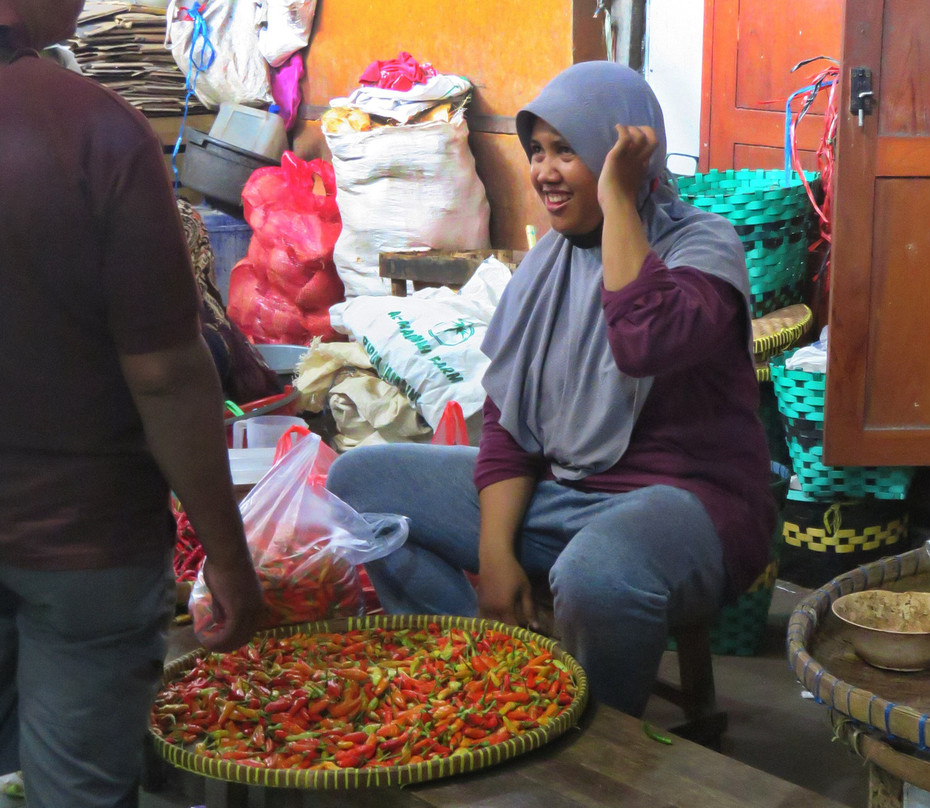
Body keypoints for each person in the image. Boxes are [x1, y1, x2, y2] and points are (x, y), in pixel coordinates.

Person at [326, 61, 775, 717]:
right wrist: (496, 556)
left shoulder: (702, 245)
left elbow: (642, 340)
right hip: (566, 495)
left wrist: (622, 199)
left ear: (622, 153)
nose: (544, 172)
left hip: (688, 504)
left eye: (568, 150)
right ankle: (498, 676)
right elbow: (511, 428)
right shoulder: (545, 268)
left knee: (599, 576)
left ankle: (592, 737)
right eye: (537, 151)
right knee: (359, 483)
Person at [0, 2, 264, 807]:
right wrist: (227, 557)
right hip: (83, 542)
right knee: (77, 792)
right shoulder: (89, 127)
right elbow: (165, 373)